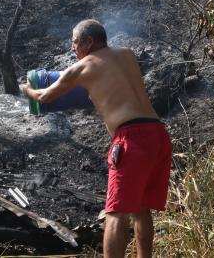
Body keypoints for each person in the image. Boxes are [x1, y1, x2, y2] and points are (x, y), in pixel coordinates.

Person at [20, 19, 172, 258]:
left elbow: (44, 96)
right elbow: (111, 87)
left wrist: (26, 89)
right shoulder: (127, 54)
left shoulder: (81, 68)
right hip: (158, 135)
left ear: (89, 42)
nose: (73, 48)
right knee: (142, 209)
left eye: (75, 42)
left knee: (115, 213)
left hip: (131, 139)